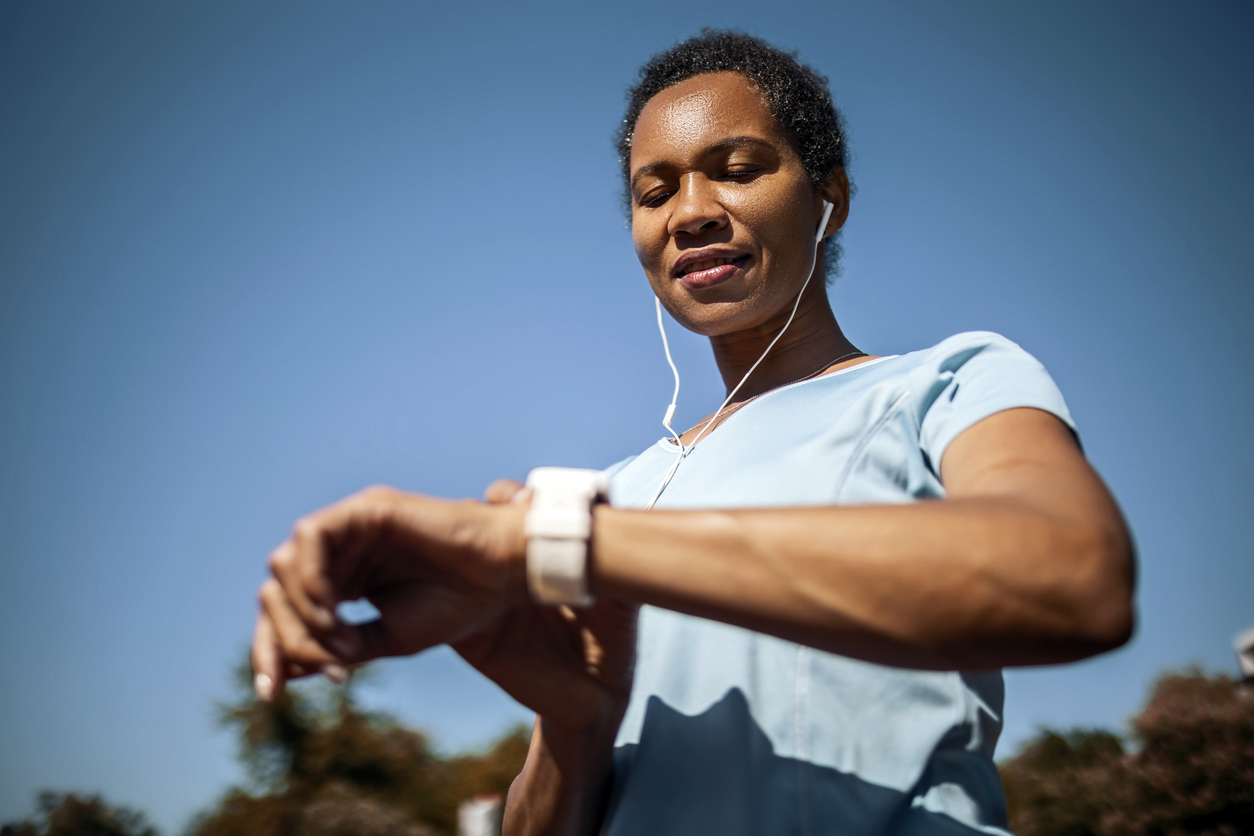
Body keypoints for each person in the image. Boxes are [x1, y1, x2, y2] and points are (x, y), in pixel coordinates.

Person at [251, 30, 1135, 836]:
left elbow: (1073, 575)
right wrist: (575, 719)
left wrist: (569, 542)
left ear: (830, 197)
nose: (691, 212)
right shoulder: (614, 497)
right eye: (655, 190)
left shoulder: (948, 384)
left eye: (739, 169)